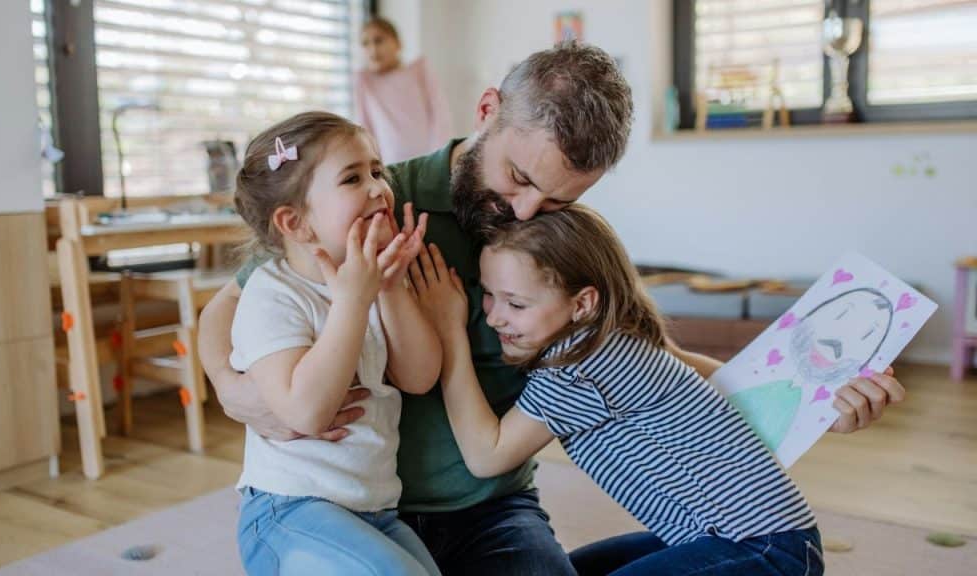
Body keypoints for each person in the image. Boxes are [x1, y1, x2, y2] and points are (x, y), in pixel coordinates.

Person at [200, 42, 904, 576]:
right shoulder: (377, 203)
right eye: (518, 178)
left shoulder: (554, 241)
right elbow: (227, 309)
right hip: (361, 503)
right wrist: (234, 388)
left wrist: (814, 393)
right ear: (487, 112)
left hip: (493, 507)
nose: (525, 211)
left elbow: (647, 361)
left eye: (560, 198)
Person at [410, 204, 824, 575]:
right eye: (489, 296)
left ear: (582, 304)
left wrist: (449, 330)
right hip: (751, 538)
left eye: (516, 304)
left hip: (763, 548)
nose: (495, 318)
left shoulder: (577, 364)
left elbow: (487, 456)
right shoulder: (610, 338)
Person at [229, 111, 442, 575]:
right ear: (295, 222)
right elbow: (306, 413)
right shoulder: (273, 294)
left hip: (374, 510)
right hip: (288, 511)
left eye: (377, 171)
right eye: (352, 178)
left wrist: (391, 287)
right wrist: (352, 301)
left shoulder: (373, 281)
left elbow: (420, 377)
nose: (378, 188)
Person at [355, 16, 452, 163]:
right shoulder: (365, 82)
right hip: (390, 166)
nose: (372, 49)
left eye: (379, 40)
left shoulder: (419, 71)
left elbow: (440, 115)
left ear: (398, 44)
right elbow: (365, 128)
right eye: (365, 44)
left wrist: (439, 159)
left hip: (429, 160)